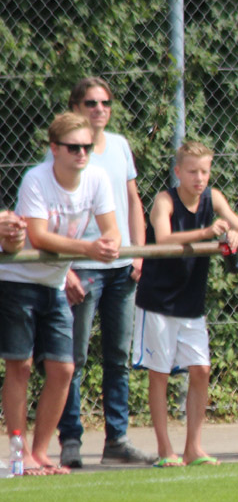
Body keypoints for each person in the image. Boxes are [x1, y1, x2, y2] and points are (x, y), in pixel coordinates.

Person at [1, 112, 120, 475]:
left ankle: (40, 453)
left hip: (53, 282)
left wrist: (111, 244)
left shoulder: (97, 178)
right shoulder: (37, 179)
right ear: (55, 149)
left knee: (64, 369)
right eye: (73, 148)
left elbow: (111, 229)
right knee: (20, 367)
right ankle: (18, 455)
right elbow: (38, 236)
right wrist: (87, 250)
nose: (82, 154)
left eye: (86, 147)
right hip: (18, 281)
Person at [133, 141, 238, 467]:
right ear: (178, 172)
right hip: (158, 300)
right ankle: (164, 450)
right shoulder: (164, 200)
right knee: (159, 375)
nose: (199, 177)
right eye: (192, 171)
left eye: (204, 171)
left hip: (191, 303)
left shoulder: (213, 198)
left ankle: (193, 448)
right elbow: (162, 237)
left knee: (201, 370)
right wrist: (206, 232)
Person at [55, 77, 152, 468]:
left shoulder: (121, 146)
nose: (99, 109)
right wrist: (65, 271)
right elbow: (51, 214)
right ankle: (71, 441)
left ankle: (117, 439)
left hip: (120, 269)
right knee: (72, 358)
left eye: (105, 102)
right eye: (91, 103)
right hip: (82, 268)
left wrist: (138, 252)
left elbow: (132, 200)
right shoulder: (65, 153)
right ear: (75, 107)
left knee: (117, 357)